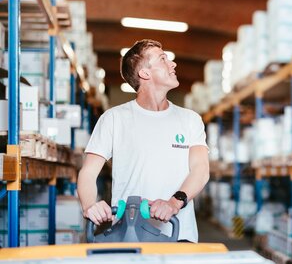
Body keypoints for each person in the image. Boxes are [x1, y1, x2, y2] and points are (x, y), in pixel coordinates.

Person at [77, 39, 209, 242]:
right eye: (163, 59)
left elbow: (200, 170)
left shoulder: (190, 120)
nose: (173, 64)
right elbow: (87, 173)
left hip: (180, 234)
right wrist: (89, 205)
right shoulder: (114, 119)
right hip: (128, 234)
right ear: (145, 73)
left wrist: (173, 204)